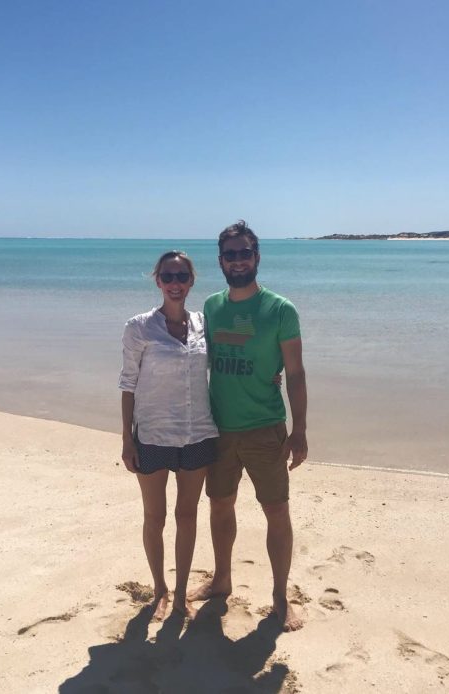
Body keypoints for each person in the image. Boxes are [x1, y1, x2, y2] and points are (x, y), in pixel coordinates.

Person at [190, 220, 309, 631]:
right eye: (230, 254)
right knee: (219, 503)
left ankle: (280, 594)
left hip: (265, 426)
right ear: (220, 261)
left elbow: (295, 372)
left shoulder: (280, 309)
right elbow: (194, 361)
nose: (238, 261)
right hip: (217, 427)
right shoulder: (210, 306)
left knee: (276, 509)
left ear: (256, 257)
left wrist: (300, 429)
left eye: (244, 253)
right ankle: (221, 579)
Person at [118, 250, 218, 620]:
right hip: (153, 434)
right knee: (155, 516)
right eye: (168, 277)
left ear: (192, 281)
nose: (175, 284)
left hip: (199, 433)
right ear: (157, 281)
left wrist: (273, 374)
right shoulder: (139, 327)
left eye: (182, 277)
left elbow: (229, 364)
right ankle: (159, 588)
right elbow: (128, 384)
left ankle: (180, 593)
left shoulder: (204, 324)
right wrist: (127, 439)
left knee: (187, 515)